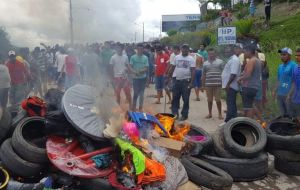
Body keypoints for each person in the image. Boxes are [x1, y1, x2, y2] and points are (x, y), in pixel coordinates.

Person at [169, 44, 195, 121]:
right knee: (175, 98)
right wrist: (168, 77)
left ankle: (184, 115)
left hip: (186, 81)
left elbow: (193, 71)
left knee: (186, 99)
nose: (184, 50)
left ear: (188, 50)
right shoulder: (177, 57)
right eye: (183, 48)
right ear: (181, 49)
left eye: (186, 49)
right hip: (177, 81)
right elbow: (173, 67)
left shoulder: (191, 59)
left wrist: (191, 83)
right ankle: (175, 113)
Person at [238, 45, 262, 118]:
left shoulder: (252, 61)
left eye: (245, 51)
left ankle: (248, 124)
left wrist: (239, 79)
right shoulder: (257, 60)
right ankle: (262, 122)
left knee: (248, 108)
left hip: (248, 86)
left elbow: (248, 75)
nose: (244, 53)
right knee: (251, 105)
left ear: (249, 51)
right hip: (254, 86)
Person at [272, 47, 296, 117]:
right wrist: (274, 90)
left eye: (284, 55)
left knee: (291, 115)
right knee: (283, 114)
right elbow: (279, 80)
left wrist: (289, 95)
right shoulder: (280, 66)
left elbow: (295, 82)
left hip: (289, 95)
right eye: (281, 55)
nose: (282, 56)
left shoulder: (293, 66)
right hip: (280, 94)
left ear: (289, 55)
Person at [202, 48, 224, 120]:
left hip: (218, 84)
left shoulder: (220, 62)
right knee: (209, 100)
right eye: (210, 54)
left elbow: (224, 73)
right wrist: (203, 85)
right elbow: (204, 74)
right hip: (208, 84)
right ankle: (210, 113)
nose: (211, 55)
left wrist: (224, 83)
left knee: (218, 100)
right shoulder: (205, 63)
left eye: (213, 53)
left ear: (215, 54)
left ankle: (220, 114)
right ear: (208, 54)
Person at [222, 45, 241, 122]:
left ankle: (228, 120)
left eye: (228, 51)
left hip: (231, 86)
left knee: (230, 103)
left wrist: (228, 84)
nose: (226, 53)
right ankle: (233, 119)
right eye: (225, 51)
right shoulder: (231, 59)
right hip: (230, 86)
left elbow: (233, 74)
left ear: (232, 52)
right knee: (231, 103)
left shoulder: (234, 60)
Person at [109, 43, 132, 107]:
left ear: (122, 49)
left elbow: (128, 66)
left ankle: (131, 107)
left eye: (120, 48)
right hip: (117, 78)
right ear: (116, 49)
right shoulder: (113, 57)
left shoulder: (125, 57)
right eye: (117, 48)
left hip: (124, 78)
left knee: (128, 93)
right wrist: (111, 78)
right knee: (118, 94)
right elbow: (110, 68)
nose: (119, 49)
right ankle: (118, 107)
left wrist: (132, 72)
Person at [129, 44, 149, 112]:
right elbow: (130, 67)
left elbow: (146, 68)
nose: (140, 50)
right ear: (137, 49)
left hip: (143, 78)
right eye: (139, 49)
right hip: (135, 78)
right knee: (135, 93)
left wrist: (140, 71)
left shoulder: (145, 58)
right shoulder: (133, 57)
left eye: (141, 49)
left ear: (143, 49)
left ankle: (140, 108)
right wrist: (135, 72)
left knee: (142, 94)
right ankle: (134, 107)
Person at [287, 48, 300, 123]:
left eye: (299, 55)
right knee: (296, 116)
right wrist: (289, 95)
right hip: (296, 97)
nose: (297, 57)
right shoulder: (295, 68)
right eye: (296, 55)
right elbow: (293, 83)